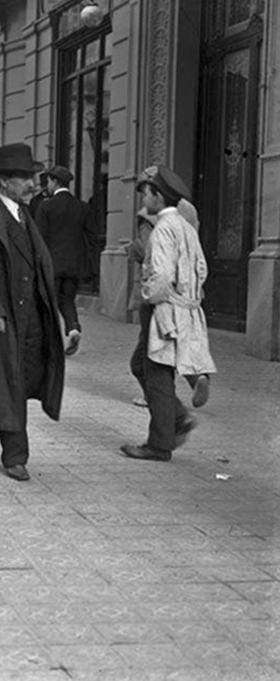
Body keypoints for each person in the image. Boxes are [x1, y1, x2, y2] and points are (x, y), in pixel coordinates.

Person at [0, 144, 66, 482]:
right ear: (3, 181)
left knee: (22, 379)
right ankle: (15, 456)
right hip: (3, 314)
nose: (32, 183)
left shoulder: (26, 216)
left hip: (32, 317)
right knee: (10, 381)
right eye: (24, 178)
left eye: (32, 177)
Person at [122, 165, 216, 461]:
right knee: (141, 365)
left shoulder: (162, 229)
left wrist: (150, 296)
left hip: (161, 310)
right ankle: (177, 417)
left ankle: (160, 444)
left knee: (157, 376)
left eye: (146, 193)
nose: (143, 200)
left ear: (158, 196)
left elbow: (160, 277)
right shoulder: (187, 227)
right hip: (185, 308)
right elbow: (202, 268)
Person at [34, 165, 97, 356]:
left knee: (48, 304)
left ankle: (50, 345)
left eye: (49, 182)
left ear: (54, 182)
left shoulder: (46, 206)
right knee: (67, 300)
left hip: (51, 265)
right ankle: (73, 328)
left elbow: (39, 238)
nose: (47, 186)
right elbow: (92, 237)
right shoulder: (82, 207)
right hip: (73, 266)